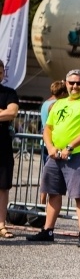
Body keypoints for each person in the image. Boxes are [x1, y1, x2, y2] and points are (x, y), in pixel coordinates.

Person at [26, 69, 80, 247]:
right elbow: (48, 129)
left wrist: (70, 147)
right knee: (53, 192)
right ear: (66, 84)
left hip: (78, 154)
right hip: (55, 154)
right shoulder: (58, 104)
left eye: (79, 83)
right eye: (71, 83)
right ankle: (48, 230)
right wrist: (50, 147)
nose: (75, 86)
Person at [0, 60, 20, 240]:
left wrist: (5, 112)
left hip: (2, 147)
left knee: (3, 187)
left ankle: (1, 225)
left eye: (0, 72)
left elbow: (12, 112)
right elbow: (5, 113)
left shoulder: (9, 93)